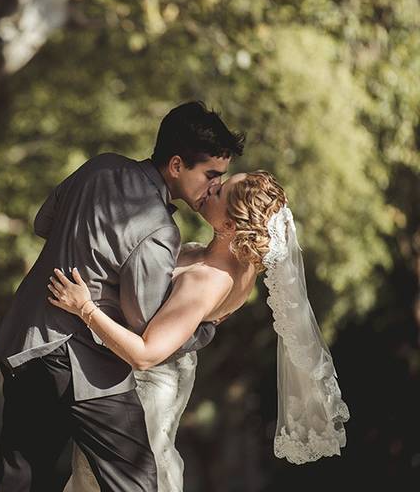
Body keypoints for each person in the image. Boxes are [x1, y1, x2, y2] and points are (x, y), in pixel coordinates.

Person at [0, 101, 245, 491]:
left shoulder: (100, 165)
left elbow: (44, 222)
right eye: (211, 174)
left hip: (26, 338)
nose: (214, 186)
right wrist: (204, 329)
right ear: (176, 165)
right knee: (137, 481)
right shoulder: (158, 231)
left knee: (21, 476)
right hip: (81, 364)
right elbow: (145, 328)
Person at [48, 171, 350, 491]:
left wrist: (83, 307)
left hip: (142, 394)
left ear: (230, 226)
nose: (213, 187)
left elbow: (146, 355)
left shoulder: (206, 280)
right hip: (167, 379)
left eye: (220, 192)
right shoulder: (242, 266)